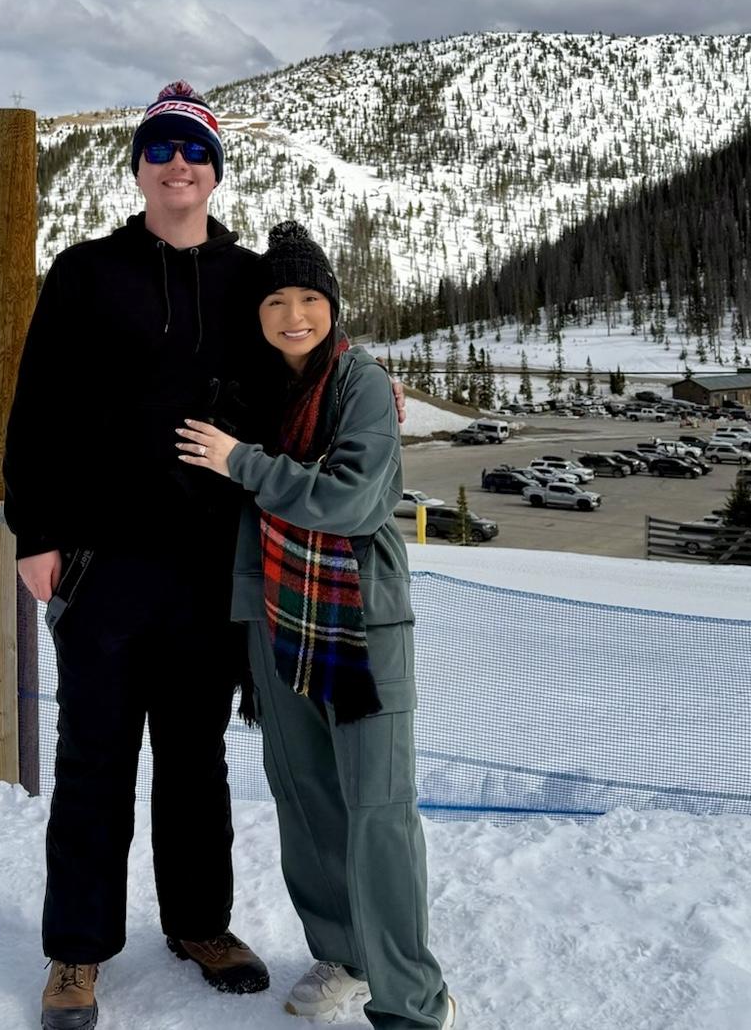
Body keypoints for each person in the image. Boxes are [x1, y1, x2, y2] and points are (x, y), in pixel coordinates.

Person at [4, 82, 272, 1030]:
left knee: (196, 761)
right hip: (103, 560)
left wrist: (374, 388)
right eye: (159, 151)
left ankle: (201, 923)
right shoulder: (86, 272)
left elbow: (309, 356)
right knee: (94, 760)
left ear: (214, 170)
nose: (177, 166)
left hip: (211, 562)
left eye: (193, 152)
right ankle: (75, 952)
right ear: (138, 169)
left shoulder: (250, 282)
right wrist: (34, 534)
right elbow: (35, 407)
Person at [177, 221, 457, 1030]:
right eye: (276, 299)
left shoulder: (360, 383)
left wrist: (243, 462)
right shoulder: (254, 391)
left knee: (376, 811)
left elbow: (351, 501)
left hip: (358, 622)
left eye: (310, 298)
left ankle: (412, 1002)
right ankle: (345, 953)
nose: (294, 314)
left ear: (332, 306)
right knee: (306, 805)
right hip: (274, 618)